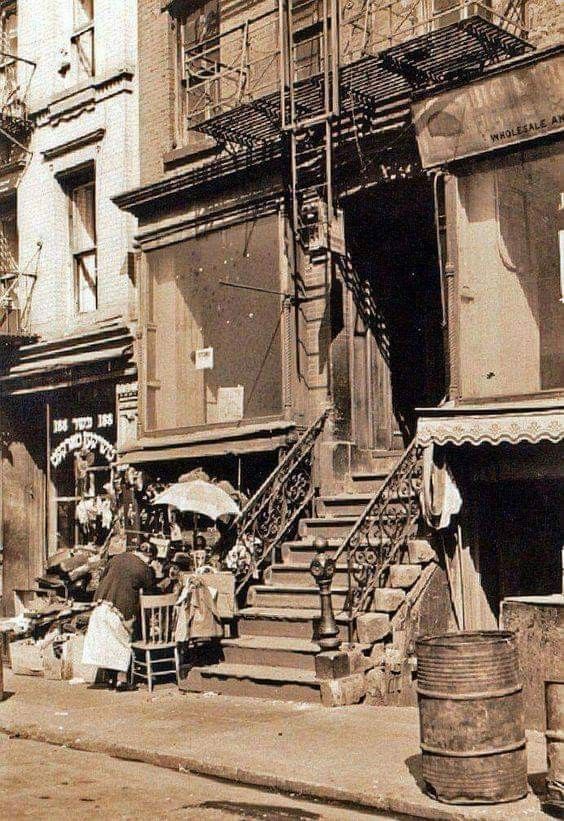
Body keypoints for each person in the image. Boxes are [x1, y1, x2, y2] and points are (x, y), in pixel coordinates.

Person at [82, 541, 156, 691]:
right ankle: (121, 680)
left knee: (106, 643)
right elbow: (150, 586)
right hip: (120, 609)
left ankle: (111, 679)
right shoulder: (144, 568)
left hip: (100, 604)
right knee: (122, 642)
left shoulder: (116, 558)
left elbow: (103, 576)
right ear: (150, 557)